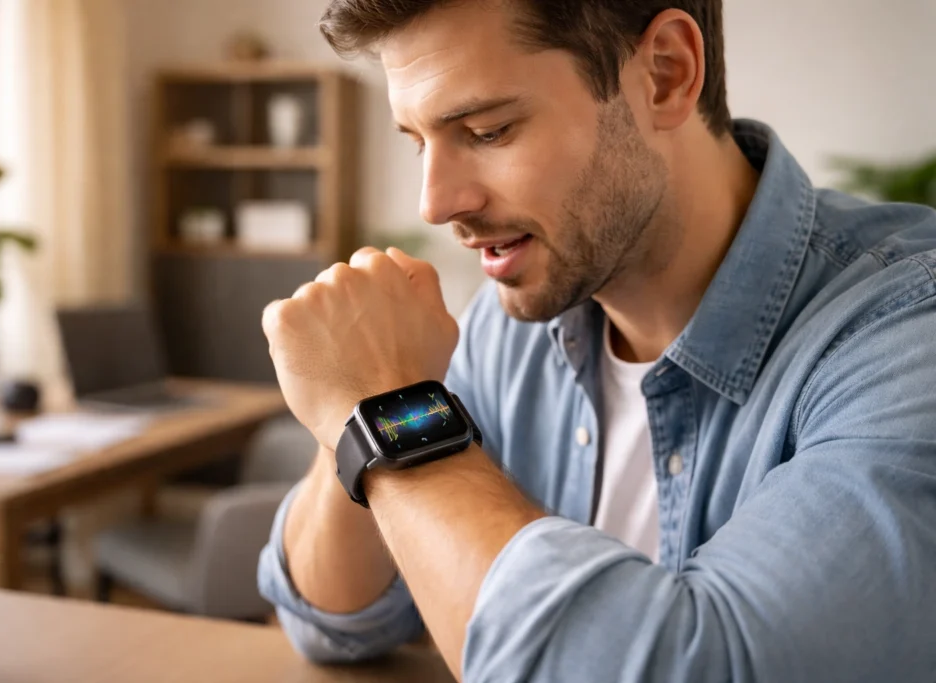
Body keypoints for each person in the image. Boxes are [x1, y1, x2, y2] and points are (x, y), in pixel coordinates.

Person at [257, 0, 936, 680]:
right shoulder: (514, 326)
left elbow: (700, 668)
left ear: (666, 74)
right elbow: (336, 619)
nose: (435, 204)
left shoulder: (904, 332)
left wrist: (393, 411)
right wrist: (360, 404)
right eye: (417, 140)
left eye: (488, 131)